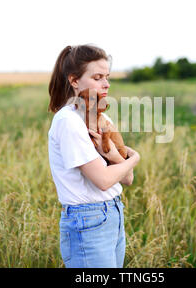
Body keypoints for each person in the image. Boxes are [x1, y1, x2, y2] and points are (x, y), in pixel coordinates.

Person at [47, 44, 141, 268]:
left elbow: (128, 179)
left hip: (113, 214)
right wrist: (135, 158)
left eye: (107, 77)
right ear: (74, 81)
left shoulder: (102, 118)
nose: (106, 84)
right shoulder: (68, 122)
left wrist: (114, 157)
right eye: (98, 77)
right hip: (87, 221)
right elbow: (104, 180)